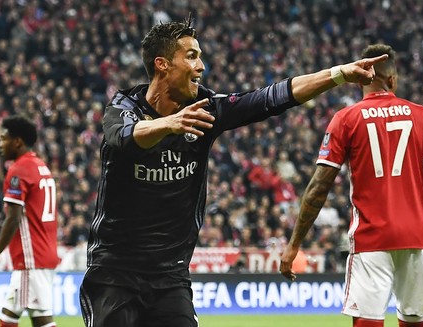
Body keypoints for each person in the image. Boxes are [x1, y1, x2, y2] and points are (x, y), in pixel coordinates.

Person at [78, 16, 388, 327]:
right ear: (162, 64)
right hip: (114, 273)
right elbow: (125, 136)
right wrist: (169, 124)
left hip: (169, 276)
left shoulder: (206, 109)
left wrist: (338, 74)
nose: (201, 66)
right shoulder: (122, 108)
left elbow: (271, 98)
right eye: (191, 56)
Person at [280, 44, 423, 327]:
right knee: (414, 320)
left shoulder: (346, 118)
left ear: (360, 79)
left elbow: (319, 186)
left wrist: (294, 244)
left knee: (368, 320)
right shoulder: (421, 115)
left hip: (371, 236)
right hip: (416, 236)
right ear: (392, 80)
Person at [0, 115, 59, 327]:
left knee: (34, 318)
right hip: (43, 252)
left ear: (17, 141)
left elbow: (13, 218)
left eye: (3, 138)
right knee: (20, 317)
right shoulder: (40, 166)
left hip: (31, 258)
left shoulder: (19, 169)